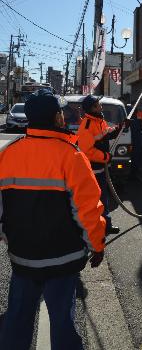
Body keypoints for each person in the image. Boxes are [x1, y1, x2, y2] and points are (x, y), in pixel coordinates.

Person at [0, 89, 105, 350]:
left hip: (22, 257)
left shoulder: (7, 154)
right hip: (63, 259)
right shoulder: (72, 156)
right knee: (63, 324)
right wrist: (97, 245)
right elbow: (88, 210)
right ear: (57, 118)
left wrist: (9, 237)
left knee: (16, 321)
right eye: (61, 112)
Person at [77, 94, 121, 235]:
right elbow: (87, 151)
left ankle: (106, 226)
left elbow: (106, 133)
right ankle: (93, 228)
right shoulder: (87, 125)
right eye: (97, 104)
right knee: (94, 199)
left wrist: (120, 127)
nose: (100, 105)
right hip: (92, 169)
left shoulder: (99, 120)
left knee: (103, 198)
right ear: (92, 108)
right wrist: (105, 157)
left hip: (101, 167)